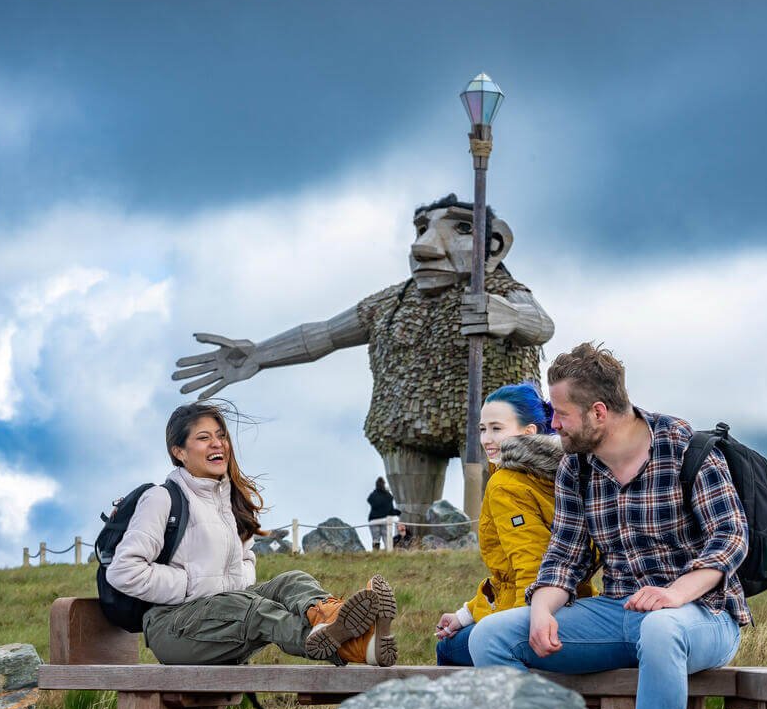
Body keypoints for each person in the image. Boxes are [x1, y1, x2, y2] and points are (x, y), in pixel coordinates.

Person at [173, 194, 555, 525]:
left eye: (458, 230)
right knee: (412, 513)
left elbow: (541, 323)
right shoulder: (389, 304)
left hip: (486, 419)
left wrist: (512, 317)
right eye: (421, 229)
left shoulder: (501, 292)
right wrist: (258, 354)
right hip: (406, 423)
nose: (424, 246)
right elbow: (323, 334)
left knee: (496, 501)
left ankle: (489, 539)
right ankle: (413, 540)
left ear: (494, 243)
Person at [468, 343, 749, 709]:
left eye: (561, 414)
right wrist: (542, 608)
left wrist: (674, 593)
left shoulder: (687, 450)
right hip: (617, 612)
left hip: (702, 616)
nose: (552, 423)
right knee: (490, 636)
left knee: (660, 629)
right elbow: (564, 554)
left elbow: (730, 537)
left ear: (599, 412)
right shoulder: (576, 468)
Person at [106, 402, 398, 666]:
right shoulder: (162, 499)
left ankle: (337, 622)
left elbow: (247, 562)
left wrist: (227, 588)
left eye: (221, 436)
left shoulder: (232, 501)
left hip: (225, 619)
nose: (217, 444)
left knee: (292, 580)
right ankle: (355, 643)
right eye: (203, 438)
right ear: (179, 452)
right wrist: (194, 583)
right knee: (250, 606)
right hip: (173, 629)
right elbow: (123, 571)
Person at [434, 382, 596, 667]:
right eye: (483, 429)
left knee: (447, 649)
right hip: (579, 607)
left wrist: (522, 631)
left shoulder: (506, 484)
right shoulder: (567, 472)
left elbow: (531, 568)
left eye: (497, 428)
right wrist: (466, 615)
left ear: (529, 432)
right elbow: (507, 579)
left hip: (538, 616)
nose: (486, 439)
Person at [366, 477, 401, 550]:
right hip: (385, 520)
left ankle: (376, 553)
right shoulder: (388, 496)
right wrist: (398, 512)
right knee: (386, 538)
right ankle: (389, 553)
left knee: (375, 539)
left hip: (373, 520)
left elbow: (369, 500)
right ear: (384, 484)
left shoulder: (373, 495)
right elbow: (390, 511)